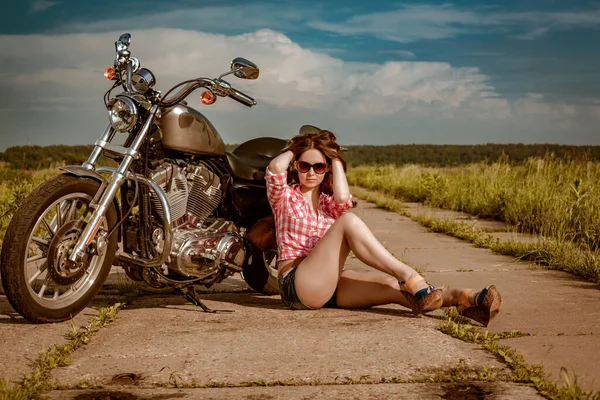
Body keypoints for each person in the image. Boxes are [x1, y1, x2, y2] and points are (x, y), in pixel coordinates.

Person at [265, 126, 502, 326]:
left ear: (326, 168)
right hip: (296, 284)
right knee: (348, 222)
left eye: (319, 167)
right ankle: (409, 274)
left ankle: (466, 299)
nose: (311, 173)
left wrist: (334, 158)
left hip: (329, 284)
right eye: (305, 166)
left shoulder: (328, 203)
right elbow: (276, 168)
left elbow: (342, 198)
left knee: (395, 289)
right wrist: (297, 148)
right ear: (296, 165)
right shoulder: (285, 197)